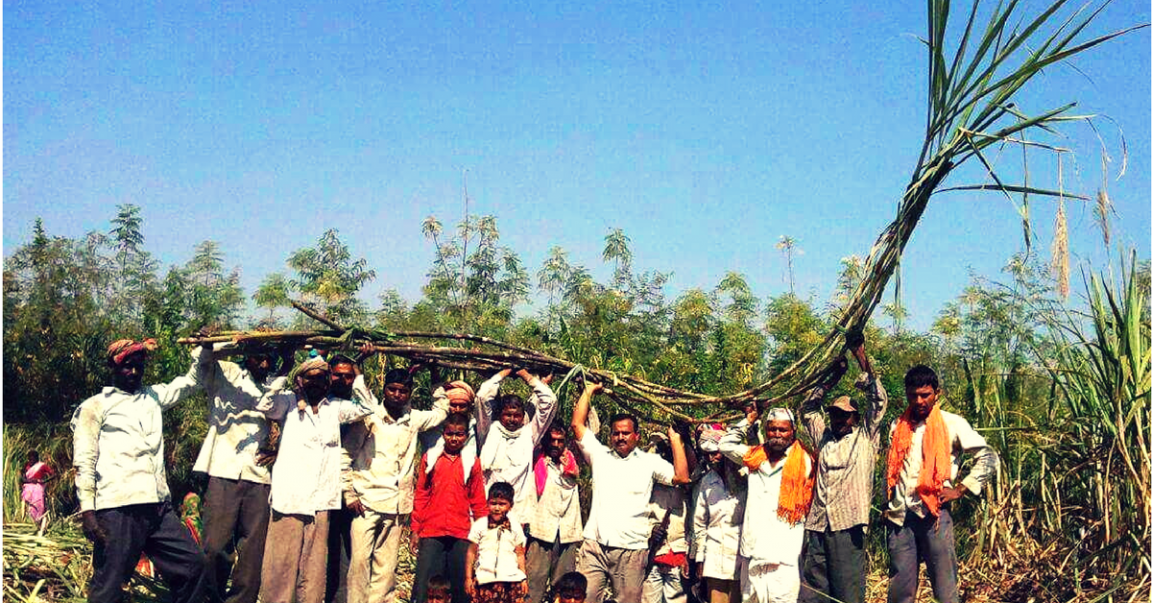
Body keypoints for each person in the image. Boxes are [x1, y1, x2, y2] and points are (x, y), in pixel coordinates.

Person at [71, 338, 210, 603]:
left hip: (158, 507)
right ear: (113, 368)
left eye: (138, 367)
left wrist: (204, 348)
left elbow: (192, 381)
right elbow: (84, 462)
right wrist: (88, 512)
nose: (133, 372)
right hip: (118, 509)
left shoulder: (153, 397)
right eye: (127, 367)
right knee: (109, 585)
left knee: (194, 566)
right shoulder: (95, 406)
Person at [253, 355, 374, 603]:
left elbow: (367, 407)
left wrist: (358, 371)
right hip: (290, 500)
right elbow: (265, 405)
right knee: (281, 568)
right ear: (300, 380)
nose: (316, 382)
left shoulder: (336, 407)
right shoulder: (287, 403)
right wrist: (284, 371)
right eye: (311, 377)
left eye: (321, 377)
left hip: (320, 501)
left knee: (313, 571)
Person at [884, 365, 999, 603]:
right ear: (906, 394)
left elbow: (988, 456)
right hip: (901, 516)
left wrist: (961, 489)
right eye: (913, 395)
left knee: (945, 587)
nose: (919, 401)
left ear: (938, 393)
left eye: (925, 395)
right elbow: (895, 470)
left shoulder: (952, 424)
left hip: (935, 515)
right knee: (899, 590)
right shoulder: (898, 426)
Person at [571, 381, 691, 603]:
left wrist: (675, 440)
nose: (620, 437)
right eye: (616, 433)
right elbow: (577, 424)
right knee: (584, 599)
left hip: (631, 551)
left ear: (637, 436)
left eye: (626, 433)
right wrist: (589, 390)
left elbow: (682, 477)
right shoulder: (600, 456)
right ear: (610, 436)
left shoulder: (650, 462)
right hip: (595, 546)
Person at [343, 365, 449, 603]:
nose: (397, 395)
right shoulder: (369, 418)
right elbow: (345, 455)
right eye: (392, 389)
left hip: (398, 504)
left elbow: (441, 411)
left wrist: (435, 378)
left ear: (410, 392)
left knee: (387, 565)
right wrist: (349, 494)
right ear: (384, 390)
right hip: (367, 501)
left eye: (403, 391)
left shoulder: (413, 419)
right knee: (360, 563)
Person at [194, 343, 291, 603]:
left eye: (269, 359)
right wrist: (233, 343)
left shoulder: (278, 386)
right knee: (214, 547)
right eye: (259, 357)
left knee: (252, 551)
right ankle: (211, 598)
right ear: (247, 356)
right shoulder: (226, 372)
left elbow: (291, 422)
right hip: (223, 469)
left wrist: (277, 450)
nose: (264, 364)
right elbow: (200, 357)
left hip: (259, 476)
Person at [798, 336, 888, 603]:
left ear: (855, 417)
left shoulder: (866, 437)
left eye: (845, 414)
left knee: (847, 593)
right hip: (817, 523)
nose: (839, 419)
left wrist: (860, 354)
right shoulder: (823, 437)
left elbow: (879, 400)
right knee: (815, 593)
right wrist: (831, 379)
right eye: (835, 414)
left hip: (847, 525)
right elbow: (807, 408)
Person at [719, 406, 814, 603]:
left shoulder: (804, 460)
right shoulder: (754, 457)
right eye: (772, 429)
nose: (777, 434)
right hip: (753, 551)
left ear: (792, 432)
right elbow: (725, 444)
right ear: (766, 431)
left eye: (783, 430)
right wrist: (749, 420)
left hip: (785, 555)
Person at [412, 411, 489, 603]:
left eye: (459, 434)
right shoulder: (431, 459)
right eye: (449, 434)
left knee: (460, 587)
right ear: (443, 434)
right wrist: (416, 529)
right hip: (432, 530)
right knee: (425, 586)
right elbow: (421, 494)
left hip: (461, 532)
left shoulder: (472, 463)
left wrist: (483, 536)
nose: (454, 438)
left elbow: (478, 500)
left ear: (466, 436)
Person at [475, 368, 558, 527]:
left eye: (517, 415)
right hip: (488, 511)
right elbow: (482, 396)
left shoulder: (529, 435)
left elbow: (550, 401)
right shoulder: (489, 431)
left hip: (518, 514)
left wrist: (526, 375)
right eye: (508, 414)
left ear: (523, 417)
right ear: (501, 415)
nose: (512, 419)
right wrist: (505, 372)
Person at [525, 425, 583, 603]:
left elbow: (588, 428)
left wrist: (587, 396)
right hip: (540, 531)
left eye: (560, 441)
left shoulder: (573, 462)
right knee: (533, 587)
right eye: (552, 440)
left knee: (564, 591)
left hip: (567, 533)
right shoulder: (536, 461)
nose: (556, 444)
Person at [691, 428, 743, 603]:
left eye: (714, 453)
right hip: (715, 556)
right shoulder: (707, 482)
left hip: (741, 555)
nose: (711, 458)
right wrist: (700, 558)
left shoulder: (746, 478)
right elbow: (700, 524)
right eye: (706, 454)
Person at [643, 433, 692, 603]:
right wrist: (651, 531)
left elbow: (694, 522)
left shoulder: (688, 482)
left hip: (678, 554)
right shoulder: (647, 483)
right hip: (653, 554)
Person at [465, 481, 529, 603]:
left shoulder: (515, 526)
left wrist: (523, 578)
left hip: (510, 581)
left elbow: (520, 554)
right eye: (493, 503)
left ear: (510, 506)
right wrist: (468, 578)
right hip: (485, 580)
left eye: (502, 504)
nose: (497, 508)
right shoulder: (480, 525)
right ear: (487, 503)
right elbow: (471, 553)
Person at [21, 450, 55, 536]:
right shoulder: (26, 466)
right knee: (27, 504)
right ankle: (27, 523)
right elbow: (22, 477)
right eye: (30, 458)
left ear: (37, 458)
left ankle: (38, 522)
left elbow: (53, 474)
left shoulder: (42, 466)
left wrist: (43, 481)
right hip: (28, 487)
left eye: (33, 458)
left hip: (38, 488)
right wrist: (28, 480)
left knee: (39, 504)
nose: (31, 460)